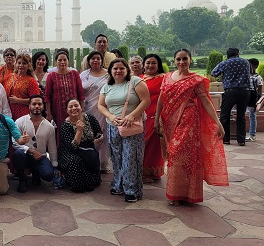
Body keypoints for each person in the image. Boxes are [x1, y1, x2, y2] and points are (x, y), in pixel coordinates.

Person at [155, 49, 228, 205]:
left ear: (190, 60)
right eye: (178, 59)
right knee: (173, 156)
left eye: (185, 59)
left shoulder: (196, 79)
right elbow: (161, 99)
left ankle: (187, 194)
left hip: (189, 121)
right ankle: (176, 194)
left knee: (183, 156)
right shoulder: (167, 77)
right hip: (169, 121)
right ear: (173, 61)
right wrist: (157, 120)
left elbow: (206, 101)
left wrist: (217, 122)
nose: (181, 62)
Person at [98, 58, 150, 203]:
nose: (118, 71)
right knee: (116, 157)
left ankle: (132, 190)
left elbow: (146, 100)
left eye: (121, 68)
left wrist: (132, 115)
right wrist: (111, 116)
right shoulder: (107, 86)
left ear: (127, 70)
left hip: (131, 126)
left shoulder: (135, 82)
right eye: (115, 69)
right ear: (110, 71)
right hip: (113, 125)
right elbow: (101, 105)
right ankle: (119, 184)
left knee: (130, 157)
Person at [12, 95, 57, 193]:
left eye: (39, 104)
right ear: (29, 106)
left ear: (43, 106)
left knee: (49, 175)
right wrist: (31, 151)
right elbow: (14, 142)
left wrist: (54, 164)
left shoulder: (49, 127)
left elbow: (52, 147)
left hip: (40, 157)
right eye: (34, 104)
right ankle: (22, 179)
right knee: (18, 154)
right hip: (25, 156)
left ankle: (36, 172)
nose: (37, 106)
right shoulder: (20, 121)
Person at [58, 98, 103, 192]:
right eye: (70, 107)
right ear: (67, 110)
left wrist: (97, 140)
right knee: (75, 161)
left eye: (76, 106)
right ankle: (77, 184)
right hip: (70, 151)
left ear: (81, 107)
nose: (74, 108)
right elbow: (72, 147)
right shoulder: (65, 125)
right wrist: (79, 131)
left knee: (92, 155)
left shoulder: (89, 118)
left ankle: (91, 181)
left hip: (88, 147)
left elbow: (99, 133)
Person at [211, 47, 252, 146]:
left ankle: (225, 139)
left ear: (228, 54)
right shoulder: (246, 62)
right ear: (238, 53)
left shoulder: (225, 63)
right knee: (241, 116)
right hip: (245, 91)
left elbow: (214, 73)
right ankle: (241, 140)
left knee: (225, 115)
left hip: (230, 91)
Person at [80, 51, 110, 172]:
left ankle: (103, 163)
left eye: (98, 58)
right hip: (88, 109)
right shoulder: (84, 75)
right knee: (89, 134)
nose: (95, 61)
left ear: (102, 60)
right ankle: (90, 160)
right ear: (89, 61)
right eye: (93, 59)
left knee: (103, 134)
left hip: (103, 109)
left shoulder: (108, 75)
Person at [140, 54, 165, 183]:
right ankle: (139, 170)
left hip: (155, 115)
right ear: (143, 65)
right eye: (148, 62)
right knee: (139, 143)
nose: (150, 65)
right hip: (139, 115)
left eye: (154, 63)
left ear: (158, 65)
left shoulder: (163, 79)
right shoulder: (138, 78)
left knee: (153, 145)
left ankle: (151, 172)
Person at [45, 49, 85, 130]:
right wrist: (48, 113)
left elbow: (80, 93)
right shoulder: (51, 76)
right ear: (55, 62)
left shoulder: (74, 74)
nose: (62, 62)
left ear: (68, 61)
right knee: (61, 131)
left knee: (76, 129)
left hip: (74, 109)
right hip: (58, 110)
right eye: (59, 60)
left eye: (64, 60)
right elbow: (47, 96)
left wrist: (82, 109)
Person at [5, 54, 41, 120]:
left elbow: (36, 101)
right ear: (15, 64)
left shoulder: (31, 81)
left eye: (24, 63)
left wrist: (18, 100)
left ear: (28, 66)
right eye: (19, 63)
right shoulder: (10, 77)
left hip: (24, 114)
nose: (21, 65)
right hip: (9, 112)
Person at [247, 58, 263, 141]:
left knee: (252, 115)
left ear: (255, 66)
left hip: (253, 97)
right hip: (246, 95)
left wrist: (258, 100)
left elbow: (259, 90)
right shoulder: (246, 75)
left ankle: (252, 134)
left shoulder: (258, 77)